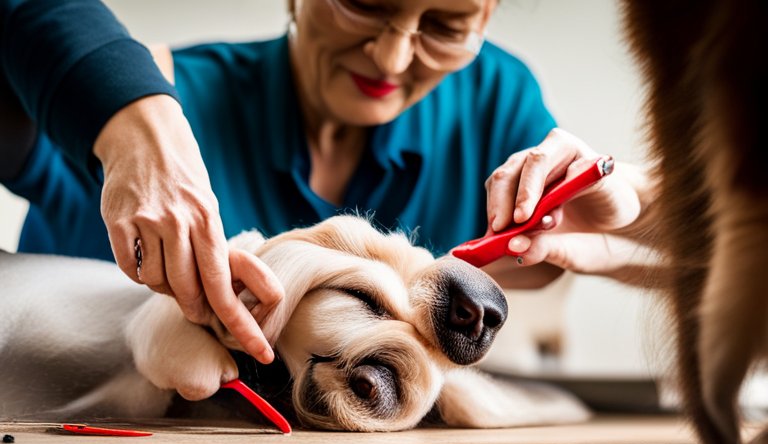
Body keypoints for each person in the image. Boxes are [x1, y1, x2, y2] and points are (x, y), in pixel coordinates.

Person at [0, 0, 656, 363]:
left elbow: (732, 242)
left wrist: (632, 203)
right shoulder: (164, 95)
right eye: (365, 3)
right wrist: (129, 119)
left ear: (486, 18)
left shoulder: (490, 104)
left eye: (446, 26)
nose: (392, 57)